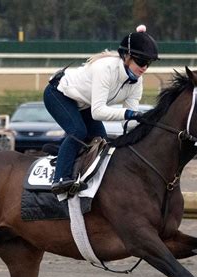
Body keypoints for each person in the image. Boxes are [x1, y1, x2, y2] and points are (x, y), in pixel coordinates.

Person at [44, 24, 160, 195]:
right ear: (127, 57)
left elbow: (127, 123)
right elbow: (97, 112)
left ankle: (65, 152)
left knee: (102, 141)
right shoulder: (105, 69)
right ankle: (60, 178)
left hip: (83, 103)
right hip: (58, 94)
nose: (144, 68)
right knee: (78, 131)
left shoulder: (137, 82)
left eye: (148, 64)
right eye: (141, 62)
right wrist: (131, 114)